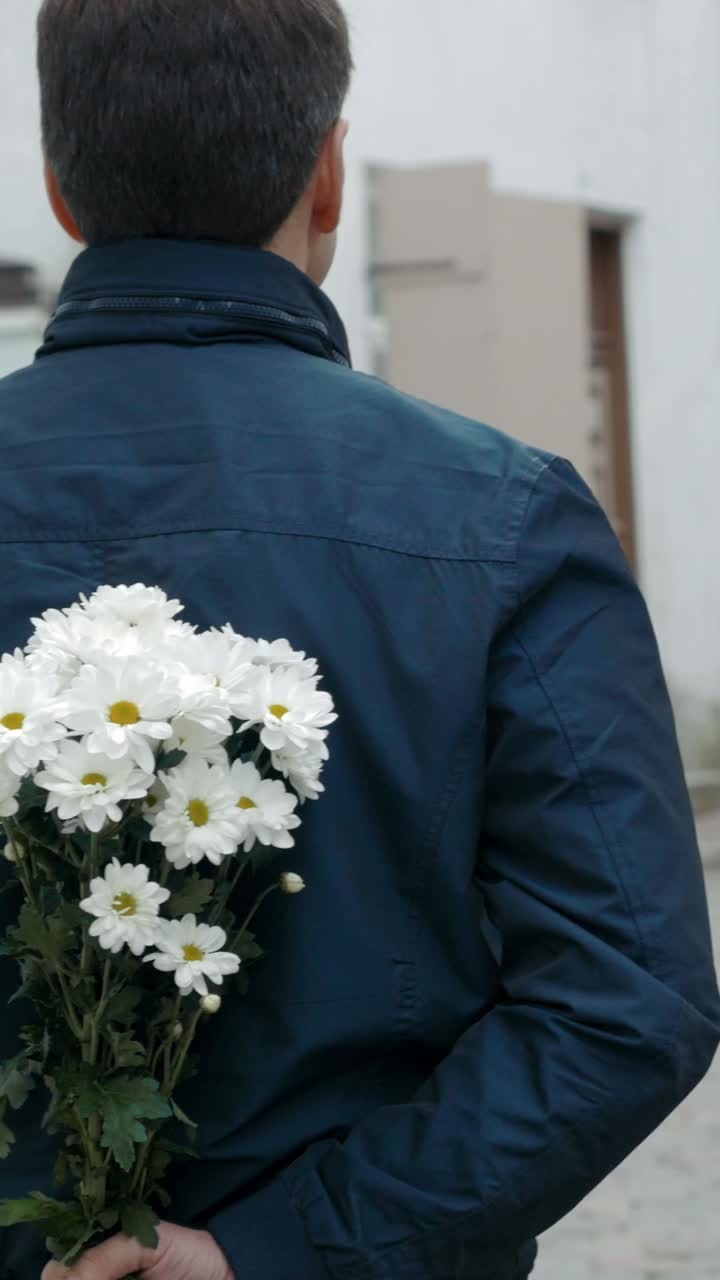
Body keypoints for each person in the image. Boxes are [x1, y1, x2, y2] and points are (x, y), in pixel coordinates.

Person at [0, 2, 717, 1278]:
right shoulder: (499, 514)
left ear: (58, 185)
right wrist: (283, 1248)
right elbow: (625, 999)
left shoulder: (500, 519)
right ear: (327, 176)